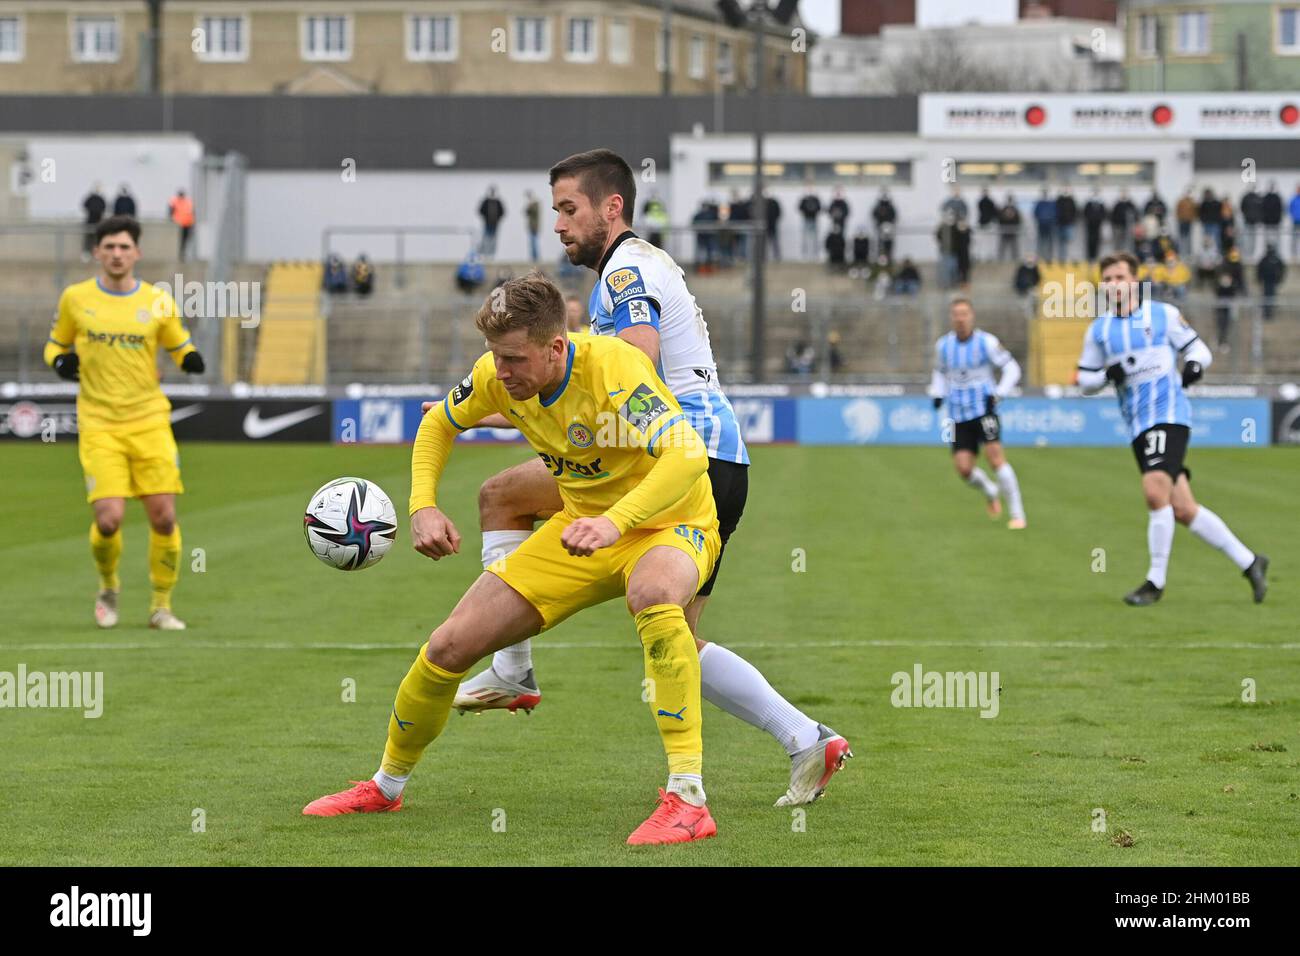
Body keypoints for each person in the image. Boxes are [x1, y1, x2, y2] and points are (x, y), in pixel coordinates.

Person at [449, 149, 851, 807]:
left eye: (569, 209)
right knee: (677, 636)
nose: (559, 225)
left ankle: (514, 671)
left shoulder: (624, 273)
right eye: (555, 211)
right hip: (712, 455)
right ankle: (808, 740)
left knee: (503, 496)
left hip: (684, 458)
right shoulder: (641, 262)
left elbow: (637, 357)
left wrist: (553, 410)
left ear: (613, 208)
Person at [305, 273, 725, 844]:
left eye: (513, 359)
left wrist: (614, 521)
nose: (500, 373)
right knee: (448, 647)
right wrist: (422, 507)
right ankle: (385, 786)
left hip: (671, 522)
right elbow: (438, 423)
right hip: (580, 531)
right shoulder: (498, 375)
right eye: (494, 357)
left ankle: (687, 797)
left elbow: (687, 455)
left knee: (652, 594)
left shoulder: (615, 368)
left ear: (557, 347)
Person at [1075, 251, 1268, 607]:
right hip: (1137, 423)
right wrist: (1105, 377)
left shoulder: (1161, 315)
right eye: (1108, 279)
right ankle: (1250, 562)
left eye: (1120, 277)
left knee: (1153, 492)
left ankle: (1155, 581)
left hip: (1169, 414)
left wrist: (1193, 365)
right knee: (1182, 508)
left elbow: (1200, 350)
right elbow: (1083, 380)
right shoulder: (1099, 329)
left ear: (1134, 281)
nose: (1114, 285)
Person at [44, 215, 206, 632]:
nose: (116, 254)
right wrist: (60, 362)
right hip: (99, 423)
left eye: (124, 247)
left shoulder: (157, 301)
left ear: (136, 253)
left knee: (164, 518)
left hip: (150, 421)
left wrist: (188, 358)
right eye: (109, 247)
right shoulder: (76, 298)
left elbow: (179, 342)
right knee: (108, 520)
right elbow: (54, 344)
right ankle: (108, 586)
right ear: (98, 252)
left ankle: (161, 606)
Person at [929, 297, 1026, 530]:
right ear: (951, 318)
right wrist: (937, 393)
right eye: (956, 314)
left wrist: (999, 393)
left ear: (972, 316)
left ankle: (1017, 513)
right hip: (955, 416)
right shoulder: (943, 346)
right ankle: (990, 490)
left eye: (964, 314)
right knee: (963, 469)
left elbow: (1012, 369)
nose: (960, 319)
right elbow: (940, 373)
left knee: (995, 459)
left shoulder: (987, 342)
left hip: (984, 411)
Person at [1213, 249, 1245, 351]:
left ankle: (1229, 342)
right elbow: (1217, 286)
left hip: (1232, 299)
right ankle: (1221, 340)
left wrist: (1241, 291)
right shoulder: (1222, 269)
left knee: (1232, 321)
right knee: (1221, 321)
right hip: (1222, 299)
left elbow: (1241, 282)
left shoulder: (1238, 268)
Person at [1256, 244, 1285, 321]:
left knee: (1272, 297)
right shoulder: (1264, 259)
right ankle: (1266, 313)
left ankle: (1270, 313)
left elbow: (1282, 268)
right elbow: (1259, 269)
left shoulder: (1276, 259)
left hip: (1273, 281)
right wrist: (1259, 279)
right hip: (1266, 281)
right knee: (1266, 297)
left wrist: (1279, 278)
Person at [478, 186, 505, 258]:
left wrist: (498, 219)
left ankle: (491, 255)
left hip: (495, 224)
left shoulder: (498, 202)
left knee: (493, 240)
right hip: (487, 224)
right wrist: (485, 218)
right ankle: (486, 254)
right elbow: (480, 211)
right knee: (486, 239)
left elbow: (502, 212)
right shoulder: (486, 201)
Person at [168, 189, 194, 262]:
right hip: (179, 224)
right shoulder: (174, 201)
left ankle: (183, 255)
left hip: (188, 224)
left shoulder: (188, 201)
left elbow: (192, 212)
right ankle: (180, 255)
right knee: (180, 241)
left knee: (185, 240)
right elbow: (170, 212)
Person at [82, 183, 106, 259]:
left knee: (98, 240)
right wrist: (91, 211)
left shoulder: (101, 199)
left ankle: (97, 255)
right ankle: (86, 254)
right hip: (90, 222)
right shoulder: (90, 198)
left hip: (98, 222)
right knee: (88, 239)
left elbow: (104, 207)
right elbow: (84, 205)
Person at [1083, 189, 1107, 261]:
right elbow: (1085, 213)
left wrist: (1098, 219)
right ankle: (1089, 257)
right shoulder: (1089, 203)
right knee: (1089, 241)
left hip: (1098, 226)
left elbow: (1104, 214)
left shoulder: (1101, 203)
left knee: (1097, 241)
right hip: (1090, 225)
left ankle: (1095, 256)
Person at [872, 188, 897, 257]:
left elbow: (894, 216)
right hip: (880, 227)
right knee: (880, 244)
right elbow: (874, 214)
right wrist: (879, 223)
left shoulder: (891, 206)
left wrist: (889, 224)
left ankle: (889, 257)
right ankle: (880, 257)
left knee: (889, 244)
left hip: (889, 228)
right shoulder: (878, 206)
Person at [797, 188, 821, 260]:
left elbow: (819, 208)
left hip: (814, 220)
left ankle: (815, 254)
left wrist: (814, 211)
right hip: (806, 220)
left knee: (815, 239)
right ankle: (804, 255)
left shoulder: (816, 199)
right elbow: (799, 207)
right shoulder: (804, 199)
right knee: (805, 238)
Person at [1240, 186, 1263, 259]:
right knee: (1246, 239)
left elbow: (1261, 209)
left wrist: (1259, 220)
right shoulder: (1246, 197)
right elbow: (1242, 207)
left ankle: (1252, 255)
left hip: (1255, 222)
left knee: (1253, 239)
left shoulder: (1258, 197)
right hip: (1247, 221)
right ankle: (1247, 254)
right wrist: (1246, 215)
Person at [1033, 189, 1055, 262]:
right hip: (1041, 225)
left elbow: (1055, 214)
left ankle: (1048, 258)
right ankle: (1040, 257)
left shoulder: (1051, 203)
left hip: (1050, 226)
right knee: (1041, 242)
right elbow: (1035, 213)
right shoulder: (1040, 203)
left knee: (1049, 243)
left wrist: (1051, 220)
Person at [997, 193, 1021, 261]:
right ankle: (1000, 259)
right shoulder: (1004, 209)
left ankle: (1015, 259)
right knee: (1003, 245)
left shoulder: (1015, 209)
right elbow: (1000, 219)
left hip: (1012, 230)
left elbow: (1018, 220)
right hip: (1005, 229)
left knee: (1014, 246)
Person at [1055, 187, 1077, 261]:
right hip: (1060, 225)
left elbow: (1075, 212)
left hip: (1069, 224)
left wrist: (1072, 221)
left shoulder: (1071, 200)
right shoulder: (1059, 200)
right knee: (1061, 243)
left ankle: (1070, 258)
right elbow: (1055, 212)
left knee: (1069, 242)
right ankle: (1061, 259)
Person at [763, 191, 781, 262]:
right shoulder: (762, 202)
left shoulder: (774, 202)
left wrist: (775, 220)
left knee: (775, 242)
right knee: (764, 243)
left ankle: (777, 257)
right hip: (764, 226)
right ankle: (764, 257)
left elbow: (779, 212)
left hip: (773, 225)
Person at [524, 190, 541, 262]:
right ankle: (533, 258)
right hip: (531, 227)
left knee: (534, 242)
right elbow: (526, 212)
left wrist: (530, 204)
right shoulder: (531, 204)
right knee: (532, 243)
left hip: (534, 227)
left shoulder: (535, 204)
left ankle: (536, 258)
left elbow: (533, 212)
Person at [1287, 184, 1300, 262]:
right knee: (1294, 240)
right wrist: (1293, 216)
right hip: (1295, 222)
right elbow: (1289, 209)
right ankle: (1294, 256)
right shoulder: (1293, 199)